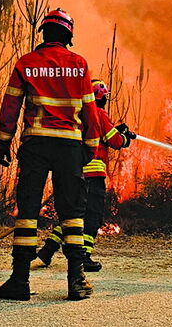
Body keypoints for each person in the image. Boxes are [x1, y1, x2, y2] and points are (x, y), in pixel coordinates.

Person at [0, 8, 101, 301]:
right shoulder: (79, 65)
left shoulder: (26, 63)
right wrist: (89, 146)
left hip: (36, 145)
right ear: (69, 36)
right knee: (73, 213)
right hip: (69, 147)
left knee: (28, 211)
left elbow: (11, 106)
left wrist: (3, 143)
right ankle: (76, 279)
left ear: (44, 33)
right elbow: (90, 110)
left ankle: (19, 280)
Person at [36, 78, 136, 272]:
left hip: (75, 172)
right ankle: (84, 257)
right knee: (93, 217)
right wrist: (125, 138)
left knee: (72, 215)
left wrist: (117, 129)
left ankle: (47, 251)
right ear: (101, 96)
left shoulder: (77, 114)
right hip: (93, 175)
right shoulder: (98, 113)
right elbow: (114, 140)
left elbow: (104, 133)